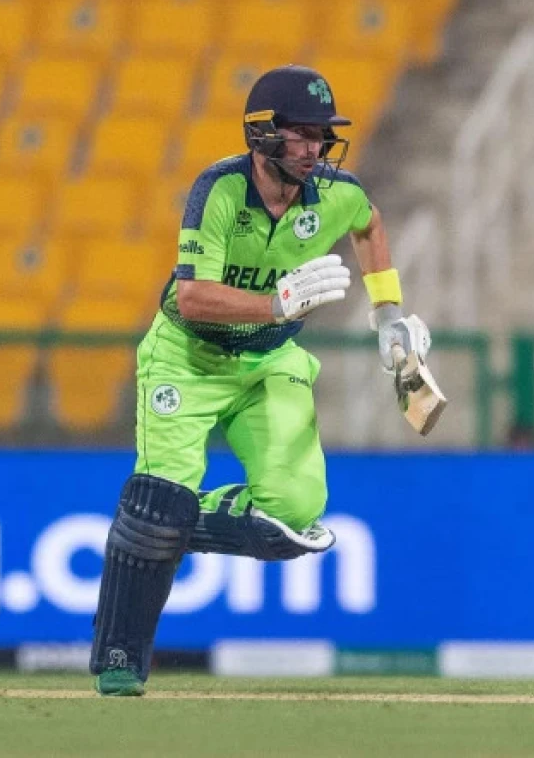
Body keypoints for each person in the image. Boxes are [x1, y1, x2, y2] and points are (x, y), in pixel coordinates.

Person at [89, 65, 433, 695]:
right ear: (263, 134)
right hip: (187, 358)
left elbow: (370, 225)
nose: (314, 148)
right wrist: (278, 303)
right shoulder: (219, 191)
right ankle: (120, 656)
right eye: (301, 134)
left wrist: (387, 315)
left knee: (295, 517)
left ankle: (165, 521)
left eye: (321, 135)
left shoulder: (337, 192)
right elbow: (192, 297)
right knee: (162, 492)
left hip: (271, 361)